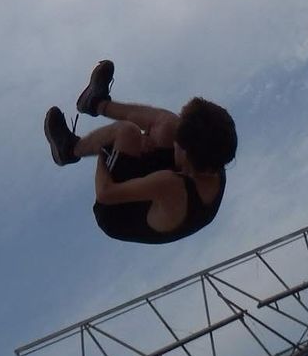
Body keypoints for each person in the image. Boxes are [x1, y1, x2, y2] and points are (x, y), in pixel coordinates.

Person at [43, 60, 236, 245]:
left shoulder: (172, 185)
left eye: (178, 144)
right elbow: (193, 137)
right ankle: (95, 102)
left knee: (126, 132)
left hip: (117, 209)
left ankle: (69, 150)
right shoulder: (214, 154)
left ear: (186, 156)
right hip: (160, 192)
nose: (174, 143)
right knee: (169, 124)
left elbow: (105, 194)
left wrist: (106, 148)